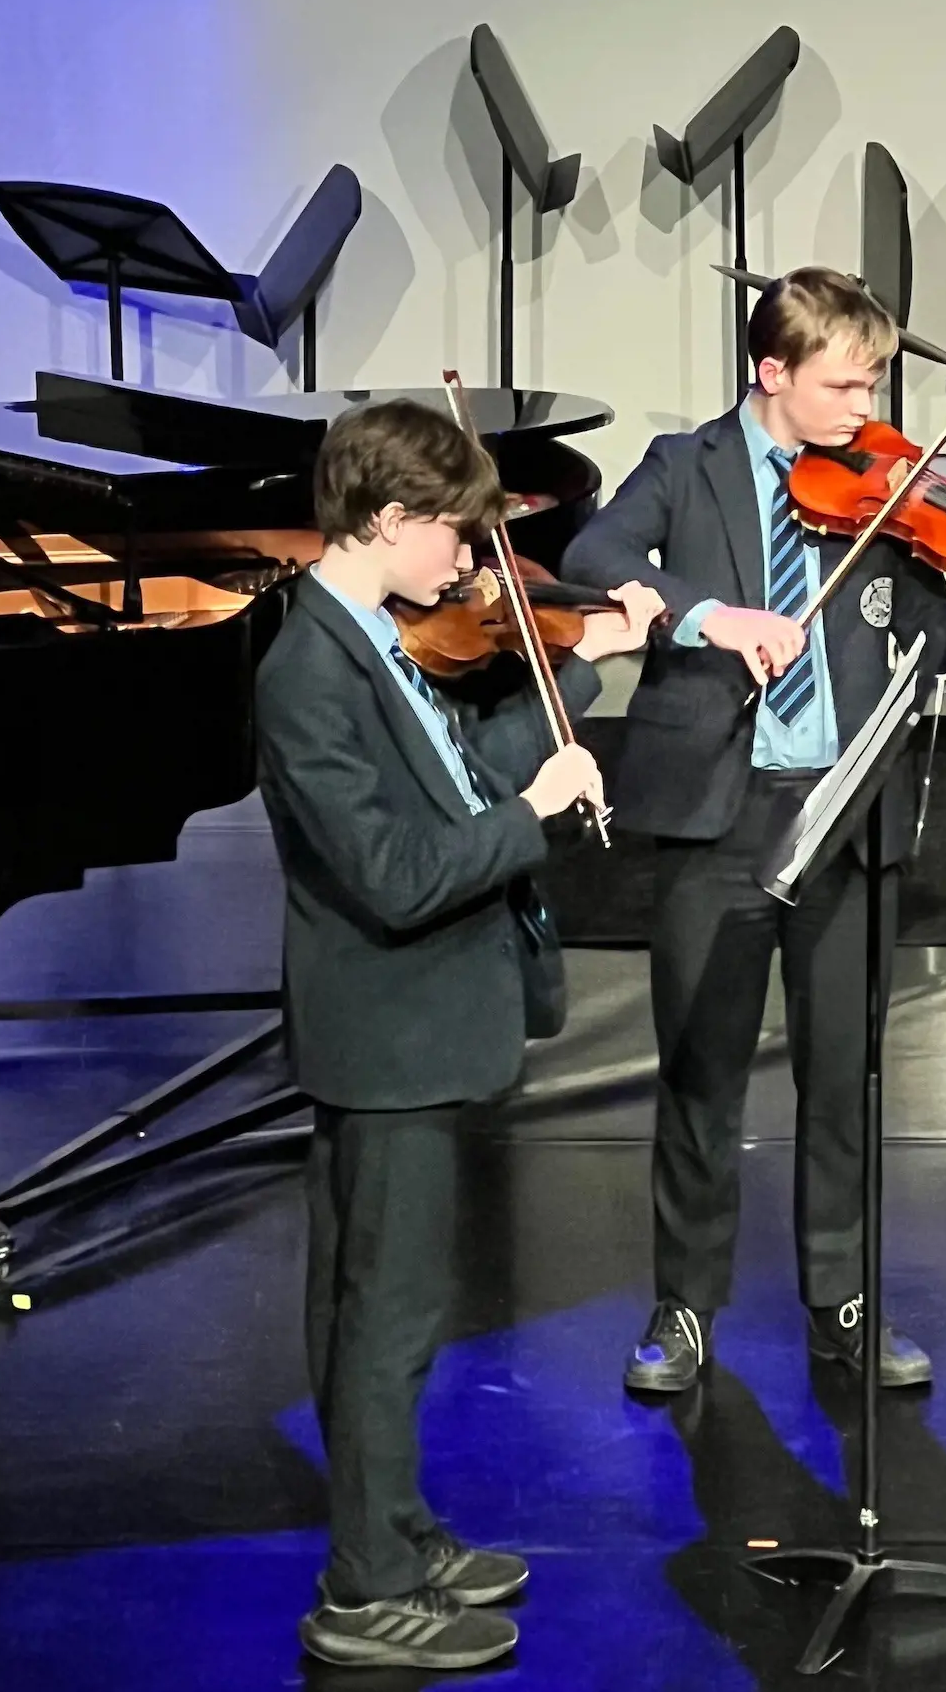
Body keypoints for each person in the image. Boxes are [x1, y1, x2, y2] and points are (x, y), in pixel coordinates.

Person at [560, 267, 946, 1395]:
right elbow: (591, 557)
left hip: (850, 814)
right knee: (701, 1074)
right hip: (721, 813)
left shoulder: (878, 486)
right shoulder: (682, 469)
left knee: (845, 1078)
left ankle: (842, 1303)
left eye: (877, 380)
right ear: (772, 373)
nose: (867, 407)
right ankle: (684, 1307)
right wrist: (709, 614)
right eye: (844, 384)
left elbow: (930, 634)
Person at [255, 396, 662, 1671]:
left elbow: (459, 751)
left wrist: (576, 680)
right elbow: (389, 870)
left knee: (391, 1309)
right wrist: (535, 812)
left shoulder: (374, 632)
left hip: (423, 1027)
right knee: (383, 1315)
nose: (474, 564)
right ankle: (362, 1590)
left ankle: (397, 1528)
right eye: (454, 533)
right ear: (386, 522)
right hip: (388, 1037)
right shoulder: (308, 668)